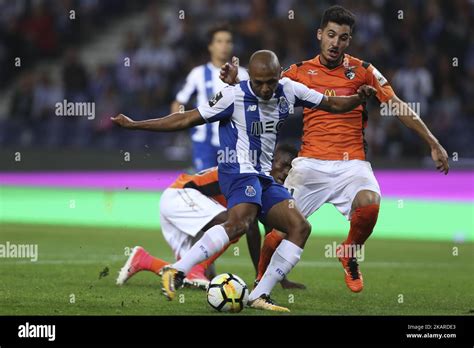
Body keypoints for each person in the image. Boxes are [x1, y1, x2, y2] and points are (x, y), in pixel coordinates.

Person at [112, 49, 376, 312]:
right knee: (240, 221)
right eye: (258, 82)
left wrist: (357, 98)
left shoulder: (290, 90)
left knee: (299, 227)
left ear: (278, 75)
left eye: (270, 82)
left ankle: (259, 294)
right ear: (251, 78)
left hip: (263, 176)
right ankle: (177, 270)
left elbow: (332, 104)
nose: (264, 89)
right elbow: (186, 118)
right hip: (237, 169)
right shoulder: (232, 96)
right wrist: (136, 125)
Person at [220, 5, 449, 293]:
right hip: (309, 165)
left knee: (370, 202)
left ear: (348, 41)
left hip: (352, 164)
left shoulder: (364, 71)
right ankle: (260, 285)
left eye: (343, 37)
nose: (335, 42)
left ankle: (349, 252)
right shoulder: (298, 73)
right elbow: (263, 88)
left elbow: (397, 105)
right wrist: (236, 82)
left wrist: (434, 142)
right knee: (279, 232)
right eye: (331, 35)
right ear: (320, 35)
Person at [116, 145, 304, 289]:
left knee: (184, 272)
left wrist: (276, 277)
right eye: (284, 164)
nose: (287, 171)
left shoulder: (267, 188)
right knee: (238, 224)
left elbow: (267, 233)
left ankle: (144, 260)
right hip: (180, 195)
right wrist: (259, 278)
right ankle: (196, 270)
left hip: (188, 205)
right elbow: (252, 227)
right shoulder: (249, 175)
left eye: (291, 168)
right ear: (270, 160)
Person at [170, 24, 249, 171]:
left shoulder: (244, 74)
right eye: (219, 41)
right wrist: (181, 124)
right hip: (204, 143)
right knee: (205, 187)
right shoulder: (197, 73)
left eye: (228, 41)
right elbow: (179, 102)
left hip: (234, 144)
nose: (224, 45)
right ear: (210, 46)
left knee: (229, 188)